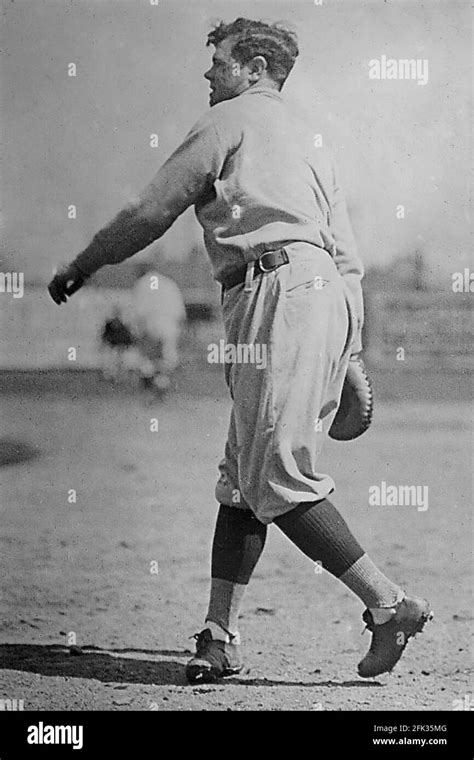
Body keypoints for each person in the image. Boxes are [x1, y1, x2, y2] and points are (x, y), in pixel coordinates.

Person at [48, 18, 432, 684]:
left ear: (253, 66)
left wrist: (83, 263)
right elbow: (348, 258)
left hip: (273, 288)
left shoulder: (231, 119)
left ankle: (388, 602)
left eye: (218, 61)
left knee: (277, 478)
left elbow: (150, 209)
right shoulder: (310, 141)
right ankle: (220, 636)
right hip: (316, 293)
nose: (208, 73)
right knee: (241, 485)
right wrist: (345, 346)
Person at [130, 265, 186, 394]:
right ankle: (161, 386)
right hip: (170, 324)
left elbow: (138, 310)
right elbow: (180, 312)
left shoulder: (142, 283)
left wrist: (138, 329)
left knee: (149, 357)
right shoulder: (169, 282)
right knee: (166, 357)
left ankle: (152, 388)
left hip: (152, 323)